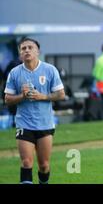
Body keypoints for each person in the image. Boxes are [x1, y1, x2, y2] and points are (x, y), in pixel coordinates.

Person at [4, 38, 65, 184]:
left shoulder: (50, 70)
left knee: (44, 165)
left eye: (30, 47)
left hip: (45, 124)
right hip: (24, 123)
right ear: (20, 54)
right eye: (23, 48)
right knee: (26, 162)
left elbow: (60, 94)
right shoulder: (14, 73)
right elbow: (8, 99)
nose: (26, 50)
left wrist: (42, 96)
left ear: (37, 51)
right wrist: (22, 96)